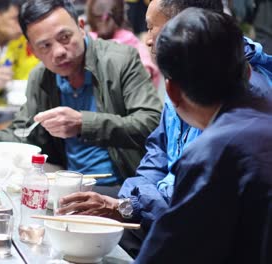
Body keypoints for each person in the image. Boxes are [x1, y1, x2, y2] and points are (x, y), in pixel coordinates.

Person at [58, 0, 272, 258]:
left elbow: (182, 229)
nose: (147, 40)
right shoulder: (220, 75)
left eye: (152, 28)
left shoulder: (218, 145)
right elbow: (157, 152)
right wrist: (131, 204)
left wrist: (127, 206)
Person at [0, 0, 162, 188]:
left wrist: (82, 124)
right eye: (45, 46)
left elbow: (151, 122)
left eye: (65, 37)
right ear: (33, 51)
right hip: (67, 186)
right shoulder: (41, 77)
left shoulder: (120, 60)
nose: (59, 51)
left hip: (123, 185)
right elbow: (23, 137)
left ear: (81, 27)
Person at [135, 8, 272, 263]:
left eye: (153, 27)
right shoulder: (262, 108)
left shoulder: (214, 151)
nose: (148, 38)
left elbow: (169, 251)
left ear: (171, 90)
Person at [86, 0, 161, 86]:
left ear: (90, 18)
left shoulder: (85, 44)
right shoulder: (133, 43)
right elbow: (149, 74)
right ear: (122, 15)